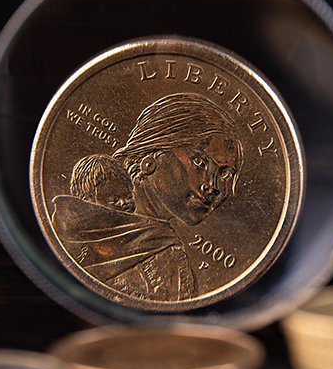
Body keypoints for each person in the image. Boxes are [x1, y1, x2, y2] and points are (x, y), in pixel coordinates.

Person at [50, 92, 244, 303]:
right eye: (199, 161)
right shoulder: (77, 219)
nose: (214, 186)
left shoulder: (168, 250)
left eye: (225, 174)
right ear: (150, 158)